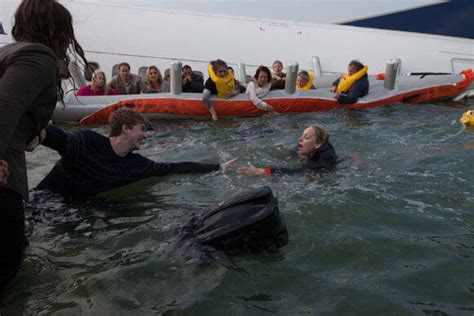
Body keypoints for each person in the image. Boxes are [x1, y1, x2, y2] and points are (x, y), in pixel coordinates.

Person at [0, 0, 88, 286]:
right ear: (55, 29)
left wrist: (33, 133)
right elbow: (3, 105)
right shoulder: (38, 56)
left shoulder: (8, 53)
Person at [33, 109, 237, 198]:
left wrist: (219, 167)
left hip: (78, 208)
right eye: (142, 129)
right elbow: (60, 138)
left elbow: (174, 168)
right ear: (126, 129)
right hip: (44, 201)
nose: (145, 136)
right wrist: (41, 134)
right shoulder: (87, 141)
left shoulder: (138, 165)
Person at [237, 125, 336, 176]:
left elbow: (293, 172)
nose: (300, 139)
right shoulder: (302, 146)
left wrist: (262, 171)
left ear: (317, 144)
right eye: (301, 135)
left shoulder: (325, 159)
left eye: (306, 137)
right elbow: (284, 158)